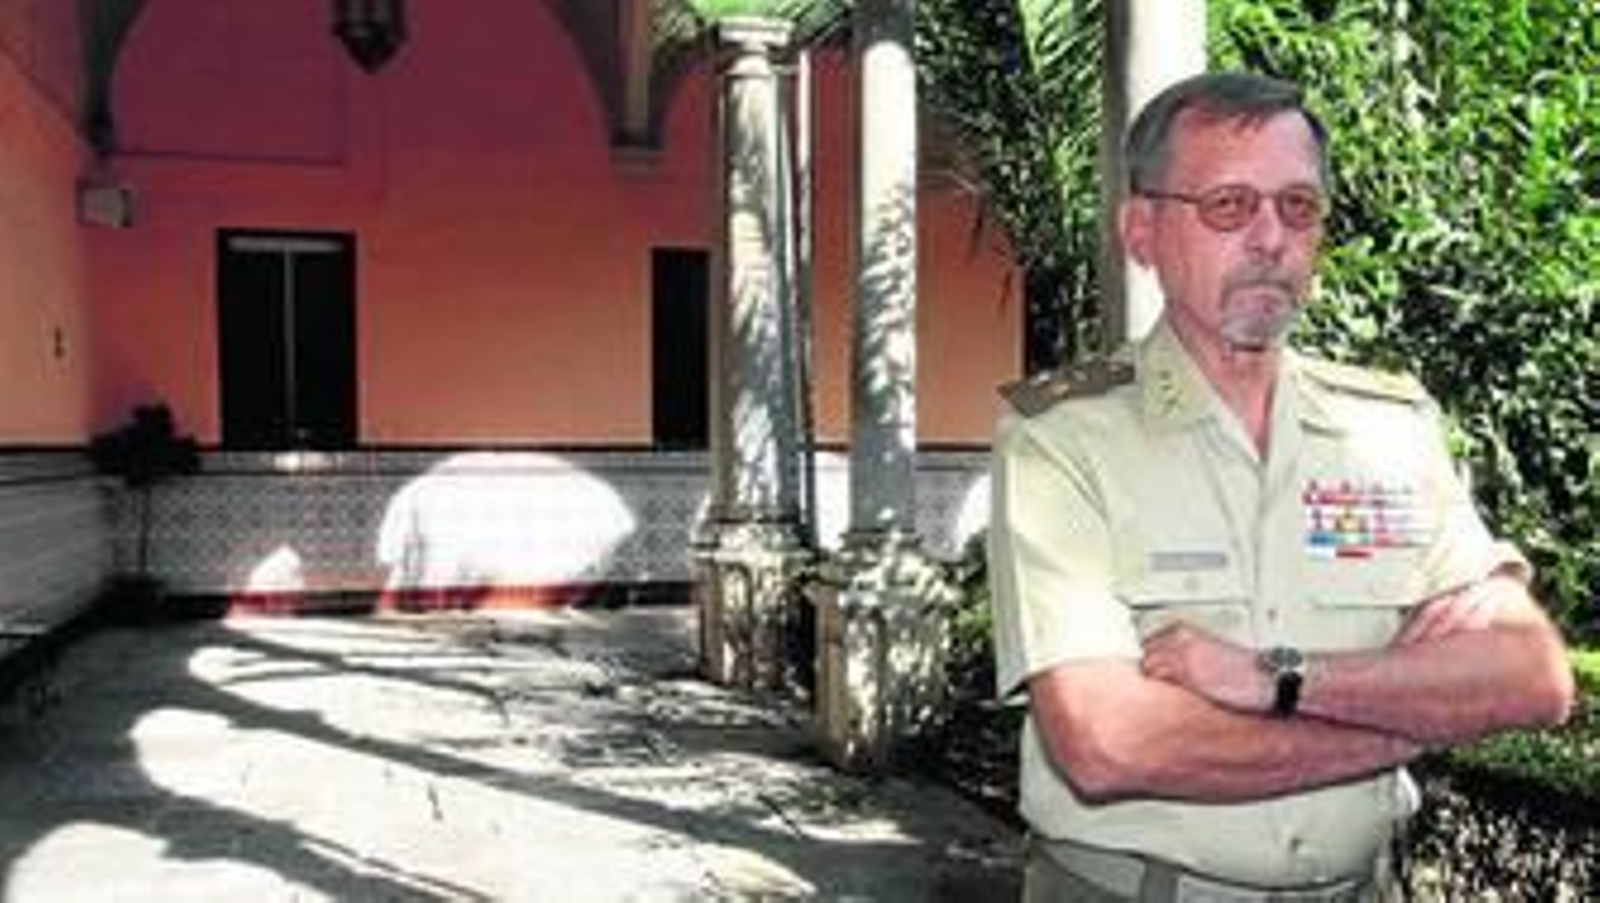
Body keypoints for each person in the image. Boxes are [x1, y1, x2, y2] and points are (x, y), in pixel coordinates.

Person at [987, 71, 1575, 902]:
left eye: (1297, 207)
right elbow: (1106, 740)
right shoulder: (1063, 440)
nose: (1270, 236)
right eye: (1229, 205)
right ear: (1142, 231)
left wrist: (1281, 678)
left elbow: (1532, 676)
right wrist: (1405, 722)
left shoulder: (1390, 431)